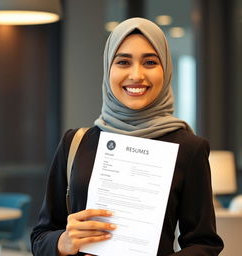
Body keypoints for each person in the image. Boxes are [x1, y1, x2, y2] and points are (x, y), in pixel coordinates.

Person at [31, 17, 224, 256]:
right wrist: (62, 242)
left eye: (150, 62)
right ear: (108, 69)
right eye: (123, 62)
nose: (136, 75)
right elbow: (40, 238)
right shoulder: (75, 143)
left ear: (165, 69)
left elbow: (205, 244)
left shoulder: (188, 148)